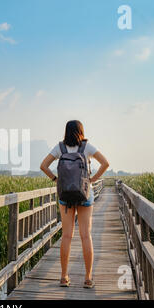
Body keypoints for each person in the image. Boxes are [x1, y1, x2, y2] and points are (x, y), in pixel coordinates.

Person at [40, 120, 110, 289]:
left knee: (66, 236)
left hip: (65, 194)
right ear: (81, 131)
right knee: (86, 235)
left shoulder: (60, 148)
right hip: (85, 193)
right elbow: (105, 163)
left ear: (66, 131)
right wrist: (91, 180)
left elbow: (43, 166)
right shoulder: (87, 147)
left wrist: (56, 180)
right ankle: (87, 278)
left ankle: (64, 277)